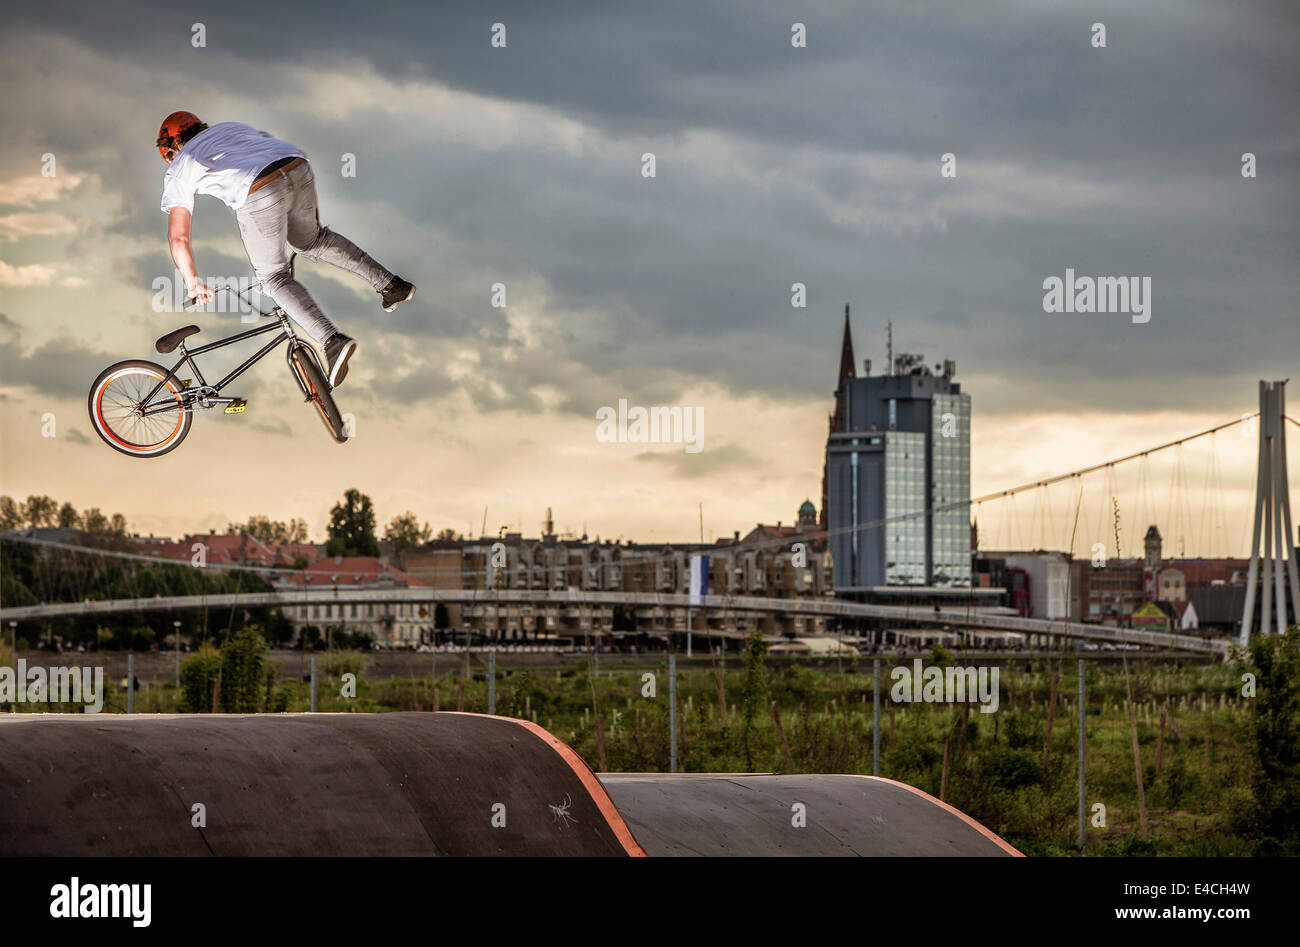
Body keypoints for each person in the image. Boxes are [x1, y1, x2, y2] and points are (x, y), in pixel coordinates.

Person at [156, 111, 415, 387]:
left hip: (258, 189)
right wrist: (311, 226)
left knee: (273, 277)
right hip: (296, 166)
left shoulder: (180, 166)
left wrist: (193, 283)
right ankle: (392, 285)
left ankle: (333, 341)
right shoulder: (231, 127)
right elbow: (277, 157)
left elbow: (178, 238)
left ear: (172, 148)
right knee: (314, 241)